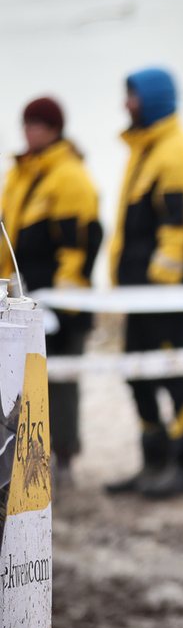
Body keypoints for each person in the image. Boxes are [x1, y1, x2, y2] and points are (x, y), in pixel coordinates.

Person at [104, 67, 183, 498]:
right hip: (141, 293)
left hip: (164, 294)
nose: (125, 103)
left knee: (171, 373)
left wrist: (157, 290)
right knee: (136, 373)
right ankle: (154, 459)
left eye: (131, 96)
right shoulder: (146, 148)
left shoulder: (178, 152)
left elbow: (176, 229)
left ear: (151, 99)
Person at [0, 96, 102, 487]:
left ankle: (65, 461)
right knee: (23, 380)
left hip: (62, 304)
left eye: (37, 124)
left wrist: (66, 302)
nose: (29, 131)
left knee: (60, 383)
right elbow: (8, 238)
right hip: (23, 299)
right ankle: (26, 456)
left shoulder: (70, 175)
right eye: (26, 123)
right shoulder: (21, 173)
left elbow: (80, 245)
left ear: (55, 129)